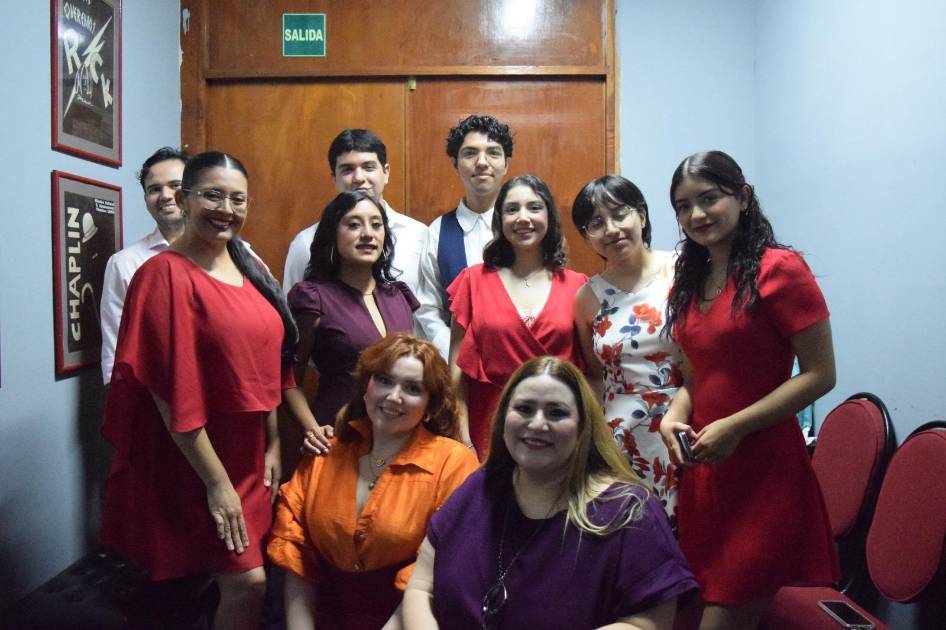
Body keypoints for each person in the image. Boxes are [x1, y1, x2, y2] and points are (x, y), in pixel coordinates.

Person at [99, 151, 297, 630]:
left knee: (241, 579)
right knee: (247, 582)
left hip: (250, 455)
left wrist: (273, 441)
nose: (226, 209)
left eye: (237, 199)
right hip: (195, 458)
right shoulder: (162, 274)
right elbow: (169, 391)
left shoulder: (248, 265)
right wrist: (217, 483)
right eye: (213, 195)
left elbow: (268, 365)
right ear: (184, 199)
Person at [659, 150, 838, 629]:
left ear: (742, 197)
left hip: (764, 473)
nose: (696, 214)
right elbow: (696, 377)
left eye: (709, 198)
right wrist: (673, 416)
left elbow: (821, 374)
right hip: (707, 474)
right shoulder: (690, 279)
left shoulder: (780, 269)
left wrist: (735, 427)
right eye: (683, 206)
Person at [403, 356, 698, 629]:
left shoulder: (630, 511)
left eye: (556, 413)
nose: (537, 424)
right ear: (503, 418)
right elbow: (421, 587)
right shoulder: (479, 487)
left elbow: (646, 623)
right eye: (524, 409)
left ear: (583, 428)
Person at [268, 333, 479, 630]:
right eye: (384, 380)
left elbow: (440, 570)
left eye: (412, 388)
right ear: (366, 388)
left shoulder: (454, 464)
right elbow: (296, 551)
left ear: (431, 405)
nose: (393, 396)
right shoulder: (324, 453)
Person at [448, 175, 587, 457]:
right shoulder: (473, 281)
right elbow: (456, 374)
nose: (523, 218)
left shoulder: (578, 286)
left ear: (549, 215)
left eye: (534, 207)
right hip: (487, 428)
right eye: (512, 209)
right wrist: (463, 441)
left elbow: (590, 375)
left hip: (557, 428)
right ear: (499, 219)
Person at [571, 175, 682, 525]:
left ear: (642, 216)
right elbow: (597, 375)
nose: (612, 229)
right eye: (596, 223)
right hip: (621, 434)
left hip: (684, 422)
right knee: (634, 530)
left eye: (620, 214)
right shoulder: (587, 297)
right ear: (587, 236)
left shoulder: (682, 270)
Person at [282, 191, 419, 443]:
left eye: (376, 224)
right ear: (332, 233)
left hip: (398, 435)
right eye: (354, 225)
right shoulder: (313, 298)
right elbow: (289, 379)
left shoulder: (398, 295)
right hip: (338, 433)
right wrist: (312, 430)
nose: (368, 234)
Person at [282, 129, 427, 297]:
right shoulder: (306, 243)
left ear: (386, 172)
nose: (358, 178)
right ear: (334, 178)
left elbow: (429, 307)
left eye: (368, 167)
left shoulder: (419, 235)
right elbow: (291, 308)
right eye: (347, 169)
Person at [414, 114, 513, 358]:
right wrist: (457, 353)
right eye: (470, 153)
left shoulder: (524, 228)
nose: (482, 162)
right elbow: (428, 307)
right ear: (455, 164)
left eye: (493, 152)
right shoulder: (438, 231)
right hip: (458, 364)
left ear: (506, 164)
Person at [99, 147, 187, 384]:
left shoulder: (229, 255)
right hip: (151, 393)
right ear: (146, 199)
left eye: (175, 185)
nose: (165, 195)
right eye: (154, 189)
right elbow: (114, 349)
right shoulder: (124, 263)